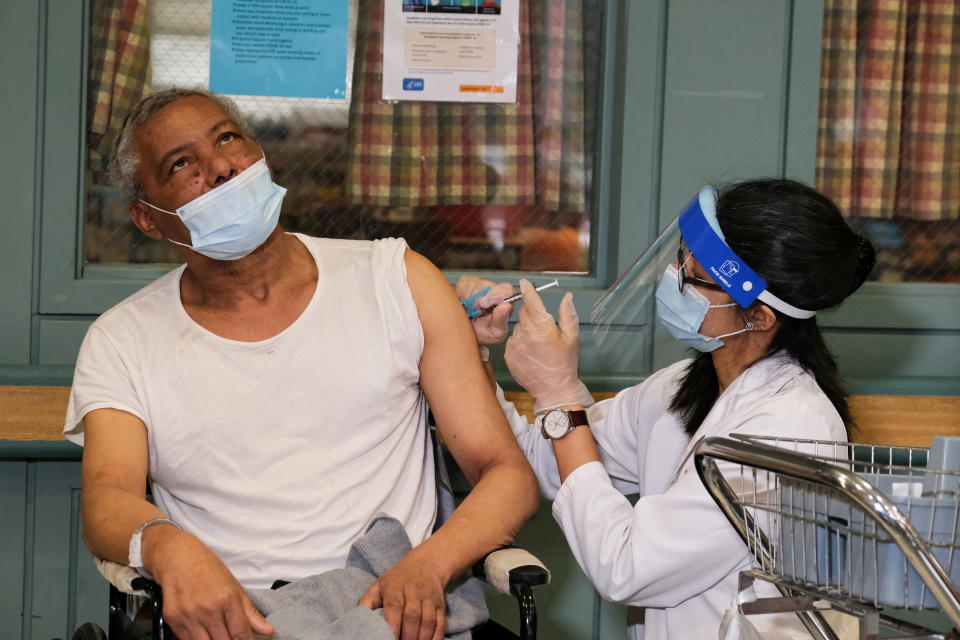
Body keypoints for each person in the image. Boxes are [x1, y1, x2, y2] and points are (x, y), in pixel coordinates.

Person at [64, 88, 539, 640]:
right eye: (182, 164)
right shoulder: (123, 339)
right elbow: (107, 496)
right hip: (236, 620)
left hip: (396, 611)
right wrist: (167, 547)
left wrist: (431, 565)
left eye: (227, 138)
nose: (219, 168)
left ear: (258, 151)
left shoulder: (396, 280)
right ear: (148, 218)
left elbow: (506, 475)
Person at [457, 179, 876, 639]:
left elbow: (627, 568)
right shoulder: (682, 388)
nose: (674, 278)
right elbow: (540, 462)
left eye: (694, 278)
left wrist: (559, 396)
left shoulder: (788, 427)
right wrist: (468, 350)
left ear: (760, 316)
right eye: (680, 258)